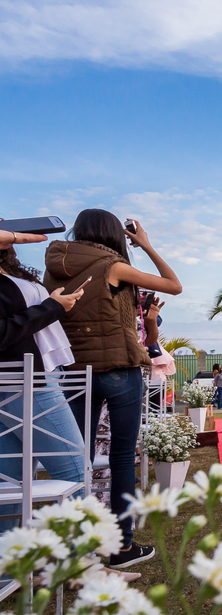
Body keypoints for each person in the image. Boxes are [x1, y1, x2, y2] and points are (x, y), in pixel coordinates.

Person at [45, 210, 183, 570]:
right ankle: (121, 546)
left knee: (80, 460)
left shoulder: (54, 268)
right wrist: (147, 245)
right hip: (119, 371)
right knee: (122, 457)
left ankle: (78, 546)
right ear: (111, 234)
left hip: (74, 371)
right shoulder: (112, 266)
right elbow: (174, 284)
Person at [0, 229, 87, 535]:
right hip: (26, 382)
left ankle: (8, 571)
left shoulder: (10, 273)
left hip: (34, 376)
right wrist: (52, 307)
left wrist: (56, 305)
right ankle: (82, 568)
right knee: (75, 470)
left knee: (10, 480)